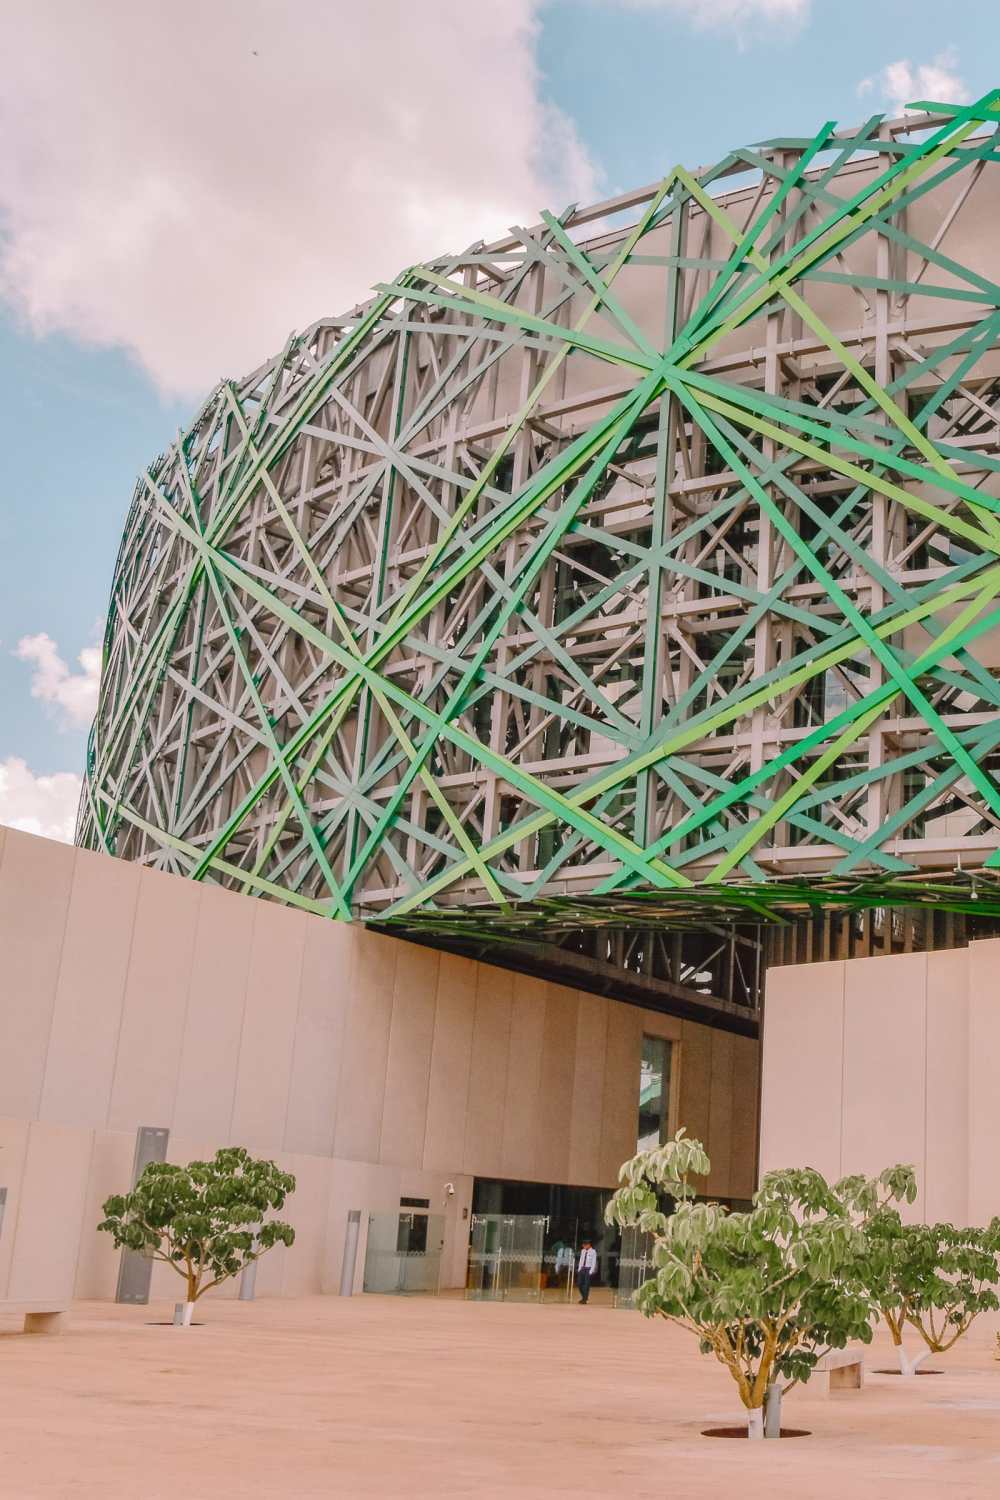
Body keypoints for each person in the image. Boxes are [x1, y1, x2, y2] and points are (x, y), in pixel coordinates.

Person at [576, 1239, 597, 1304]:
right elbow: (581, 1260)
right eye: (583, 1245)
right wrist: (579, 1269)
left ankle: (584, 1299)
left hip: (588, 1269)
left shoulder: (593, 1251)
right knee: (579, 1284)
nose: (583, 1246)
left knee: (586, 1285)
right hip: (582, 1268)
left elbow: (593, 1262)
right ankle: (584, 1297)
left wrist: (591, 1271)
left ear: (589, 1245)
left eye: (585, 1245)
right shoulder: (583, 1251)